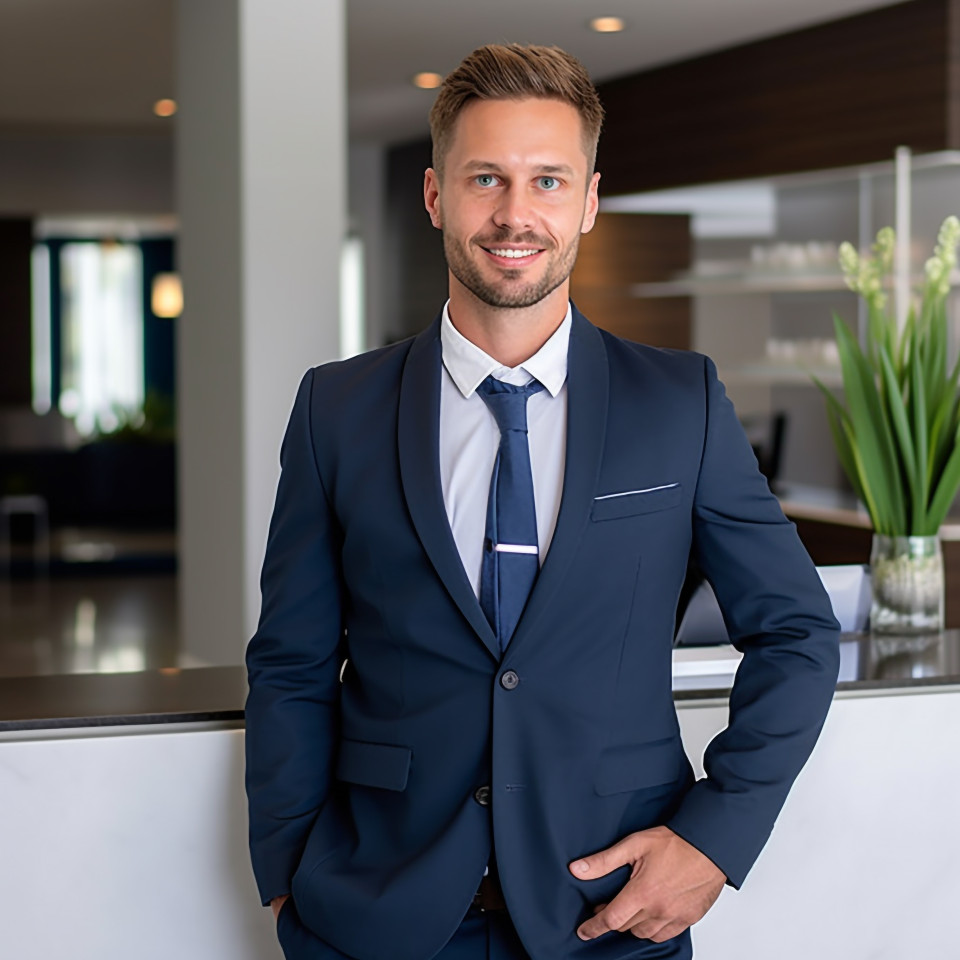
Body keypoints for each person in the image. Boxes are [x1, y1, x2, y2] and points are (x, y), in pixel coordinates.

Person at [244, 42, 841, 960]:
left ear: (589, 201)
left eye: (548, 181)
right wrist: (288, 880)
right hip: (377, 918)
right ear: (438, 196)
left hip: (611, 913)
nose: (516, 214)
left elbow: (797, 633)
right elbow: (291, 662)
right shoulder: (337, 407)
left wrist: (715, 843)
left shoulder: (678, 402)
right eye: (486, 178)